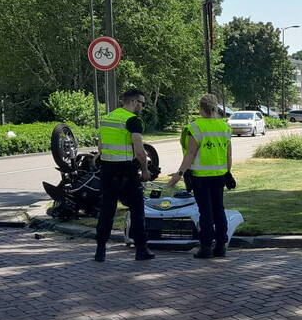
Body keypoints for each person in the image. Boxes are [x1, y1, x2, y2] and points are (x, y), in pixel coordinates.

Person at [167, 94, 234, 258]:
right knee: (219, 210)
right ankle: (220, 246)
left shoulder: (195, 127)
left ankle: (205, 247)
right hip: (219, 176)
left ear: (200, 108)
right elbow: (229, 155)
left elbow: (190, 154)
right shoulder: (224, 127)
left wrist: (179, 173)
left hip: (200, 177)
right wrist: (227, 172)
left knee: (206, 212)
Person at [94, 88, 154, 262]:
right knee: (137, 210)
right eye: (141, 103)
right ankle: (141, 249)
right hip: (126, 171)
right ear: (134, 102)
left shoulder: (107, 118)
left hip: (107, 170)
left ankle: (100, 250)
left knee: (107, 210)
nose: (142, 107)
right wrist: (144, 170)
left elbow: (100, 147)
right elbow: (140, 150)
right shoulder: (133, 120)